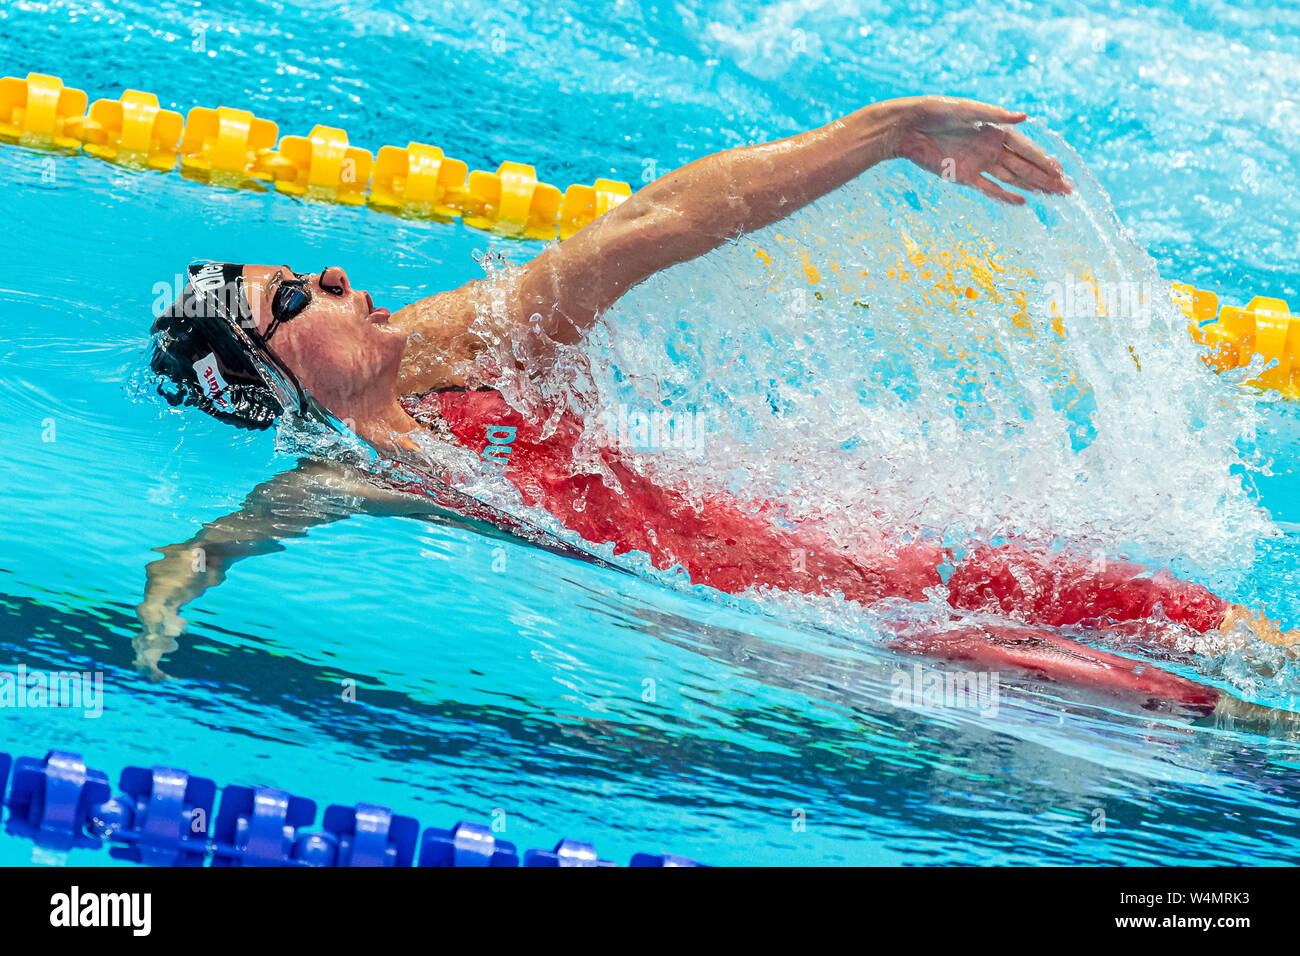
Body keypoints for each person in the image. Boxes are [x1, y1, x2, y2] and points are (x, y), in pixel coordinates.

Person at [143, 95, 1296, 711]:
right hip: (820, 645)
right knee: (1156, 705)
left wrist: (875, 137)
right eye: (292, 297)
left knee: (1155, 602)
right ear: (268, 380)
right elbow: (230, 539)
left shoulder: (471, 345)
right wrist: (175, 585)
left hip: (866, 579)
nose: (335, 278)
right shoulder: (356, 471)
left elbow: (650, 226)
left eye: (305, 268)